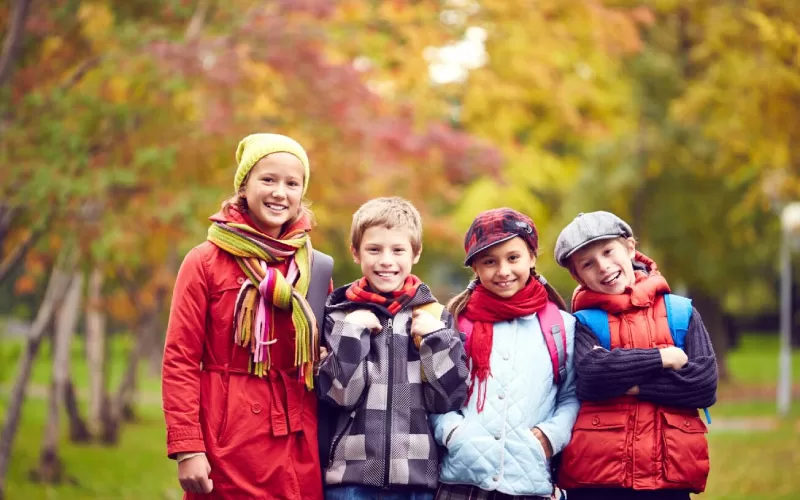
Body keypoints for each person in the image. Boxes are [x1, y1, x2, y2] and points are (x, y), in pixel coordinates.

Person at [162, 133, 332, 499]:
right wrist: (188, 447)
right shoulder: (204, 261)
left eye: (292, 183)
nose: (279, 193)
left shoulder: (315, 268)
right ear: (244, 187)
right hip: (227, 439)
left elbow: (325, 357)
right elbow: (181, 360)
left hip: (297, 443)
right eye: (267, 179)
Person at [554, 211, 717, 500]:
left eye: (608, 251)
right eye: (587, 263)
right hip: (598, 481)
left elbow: (703, 384)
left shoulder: (681, 312)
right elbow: (592, 376)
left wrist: (633, 385)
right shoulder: (580, 323)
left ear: (630, 248)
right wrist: (661, 357)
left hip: (668, 479)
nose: (603, 267)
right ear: (577, 275)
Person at [317, 197, 469, 500]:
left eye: (398, 250)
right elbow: (340, 395)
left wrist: (436, 341)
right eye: (374, 249)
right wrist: (352, 334)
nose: (386, 260)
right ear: (356, 252)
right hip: (351, 479)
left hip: (416, 480)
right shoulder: (338, 315)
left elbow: (449, 399)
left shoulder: (435, 317)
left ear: (416, 252)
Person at [432, 208, 580, 500]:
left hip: (529, 480)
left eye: (513, 258)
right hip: (462, 480)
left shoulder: (560, 326)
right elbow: (434, 393)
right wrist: (454, 434)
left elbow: (571, 394)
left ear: (532, 257)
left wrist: (549, 438)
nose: (503, 271)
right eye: (489, 262)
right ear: (475, 268)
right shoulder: (454, 321)